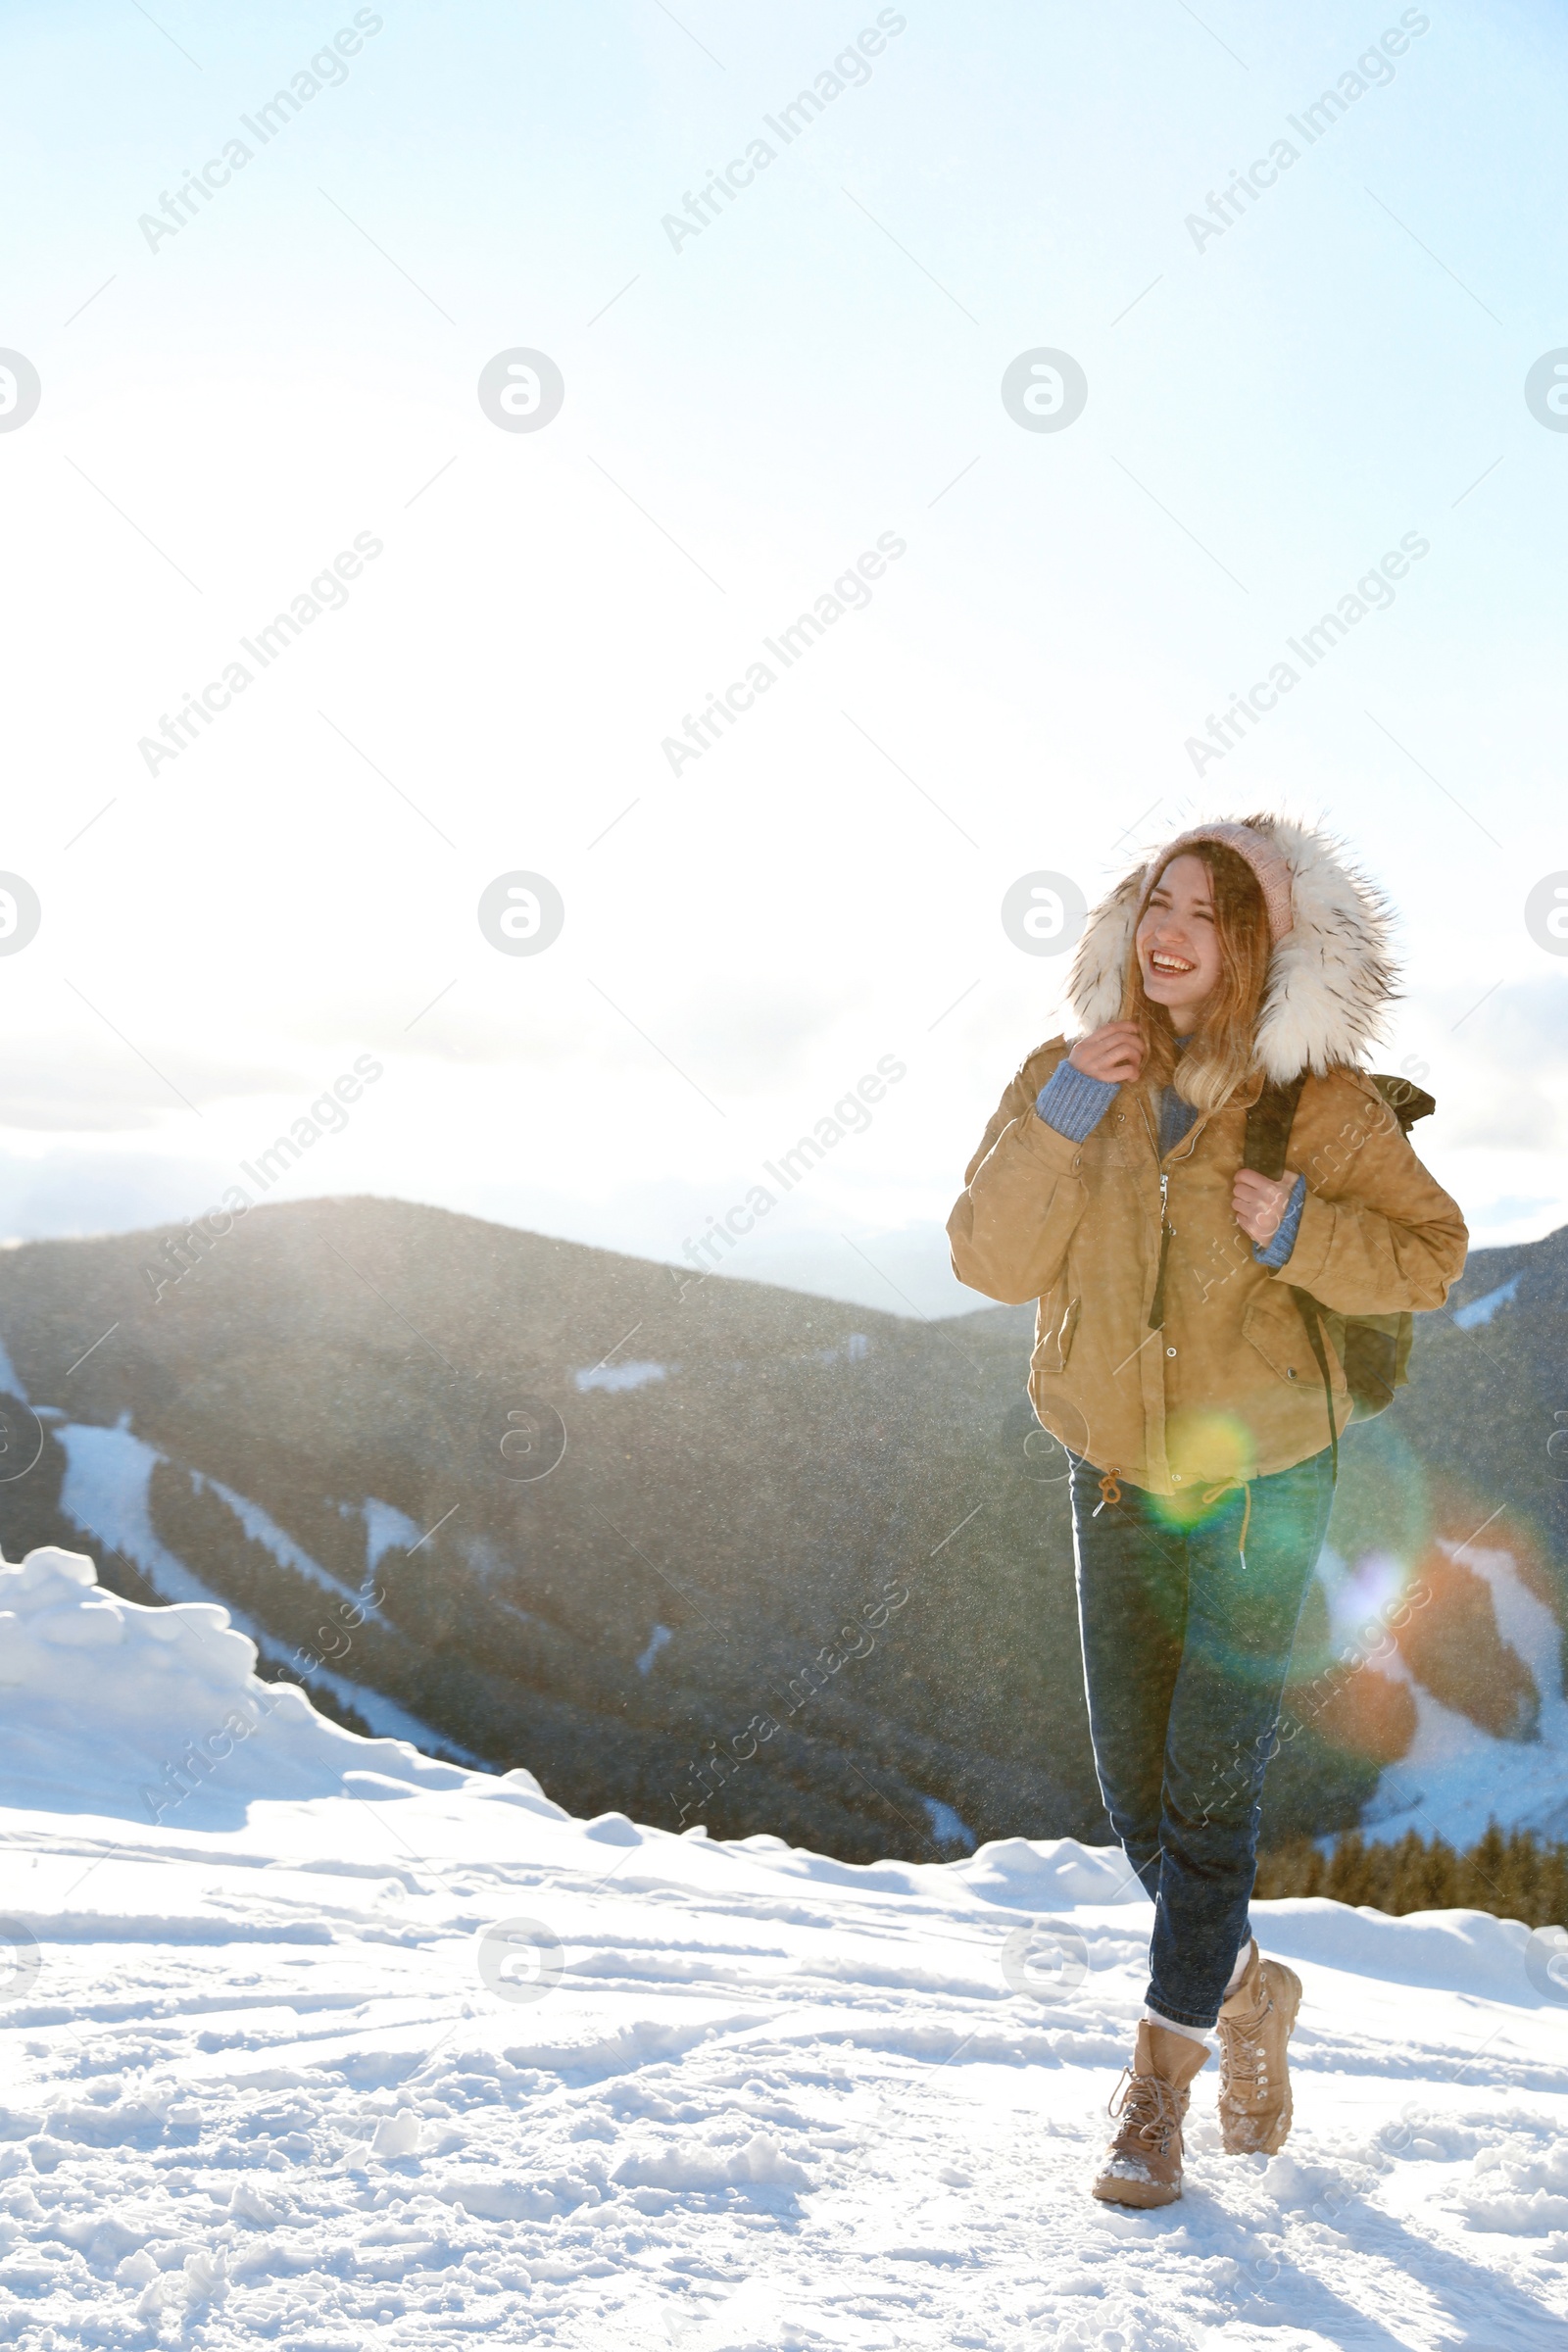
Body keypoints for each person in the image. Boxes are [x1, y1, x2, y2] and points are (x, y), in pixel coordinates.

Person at [948, 816, 1466, 2206]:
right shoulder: (1069, 1081)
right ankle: (1247, 1992)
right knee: (1137, 1801)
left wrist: (1302, 1229)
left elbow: (1432, 1256)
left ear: (1269, 952)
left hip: (1264, 1492)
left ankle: (1155, 2091)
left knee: (1209, 1794)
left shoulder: (1325, 1107)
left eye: (1211, 915)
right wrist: (1063, 1113)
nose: (1169, 931)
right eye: (1155, 901)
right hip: (1115, 1481)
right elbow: (987, 1260)